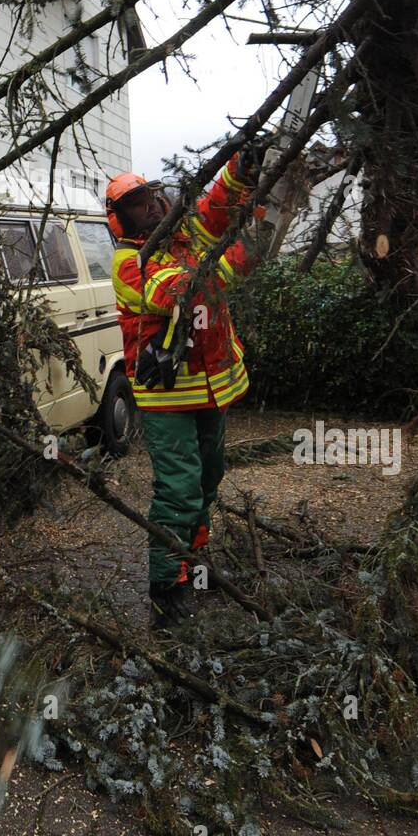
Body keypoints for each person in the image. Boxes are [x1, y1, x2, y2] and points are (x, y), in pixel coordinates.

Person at [106, 153, 259, 627]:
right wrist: (245, 254)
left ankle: (195, 563)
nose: (149, 205)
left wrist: (242, 166)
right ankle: (164, 586)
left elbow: (217, 207)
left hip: (211, 387)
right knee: (178, 489)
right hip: (168, 397)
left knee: (209, 477)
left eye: (149, 195)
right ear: (118, 218)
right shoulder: (129, 263)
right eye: (134, 203)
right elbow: (181, 292)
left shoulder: (186, 234)